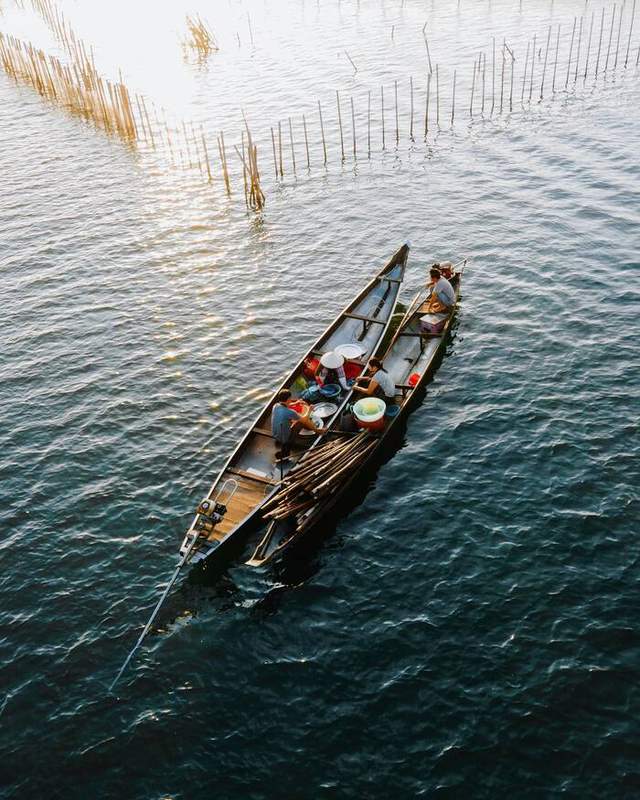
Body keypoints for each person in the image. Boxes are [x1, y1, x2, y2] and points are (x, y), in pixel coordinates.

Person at [271, 389, 324, 459]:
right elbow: (304, 419)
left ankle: (316, 430)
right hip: (284, 439)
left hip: (275, 435)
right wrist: (309, 410)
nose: (291, 400)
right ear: (288, 399)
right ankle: (317, 431)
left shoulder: (275, 406)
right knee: (302, 422)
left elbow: (287, 405)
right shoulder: (290, 412)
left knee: (295, 420)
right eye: (290, 398)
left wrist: (296, 402)